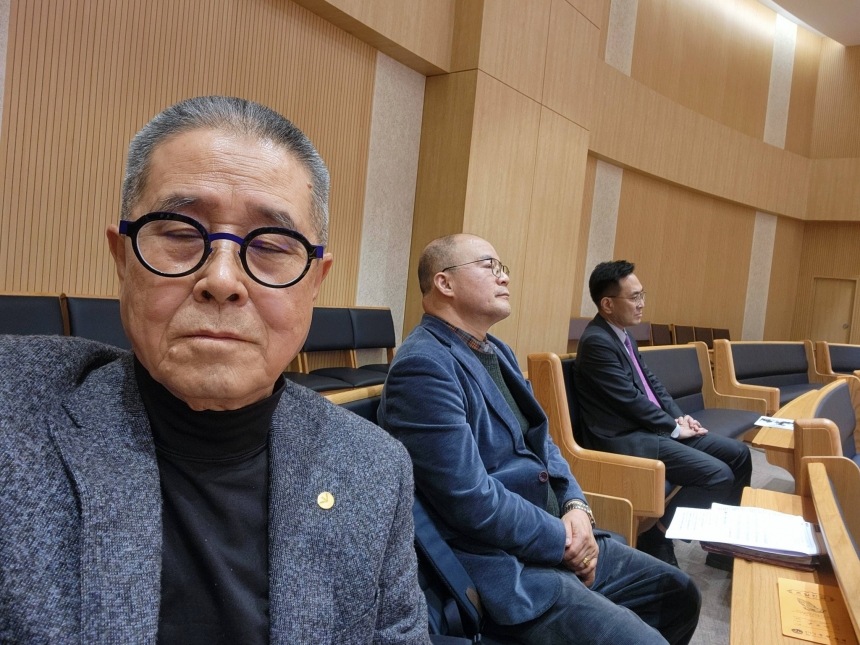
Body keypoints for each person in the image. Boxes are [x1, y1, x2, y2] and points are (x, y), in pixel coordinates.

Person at [0, 96, 429, 644]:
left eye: (270, 245)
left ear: (314, 282)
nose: (222, 279)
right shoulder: (15, 409)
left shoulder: (373, 467)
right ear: (122, 257)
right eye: (181, 233)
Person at [379, 235, 701, 645]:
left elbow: (543, 444)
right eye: (490, 267)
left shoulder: (497, 350)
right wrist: (564, 540)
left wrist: (576, 506)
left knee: (680, 593)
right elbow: (469, 499)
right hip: (510, 565)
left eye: (503, 269)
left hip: (556, 533)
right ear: (445, 283)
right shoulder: (423, 366)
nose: (504, 278)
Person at [573, 260, 752, 567]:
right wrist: (673, 428)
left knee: (739, 455)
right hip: (625, 437)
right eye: (634, 297)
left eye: (642, 295)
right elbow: (629, 400)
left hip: (649, 428)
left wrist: (680, 418)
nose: (641, 303)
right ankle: (657, 535)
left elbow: (651, 384)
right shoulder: (596, 342)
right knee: (717, 475)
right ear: (607, 304)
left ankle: (721, 548)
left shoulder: (622, 334)